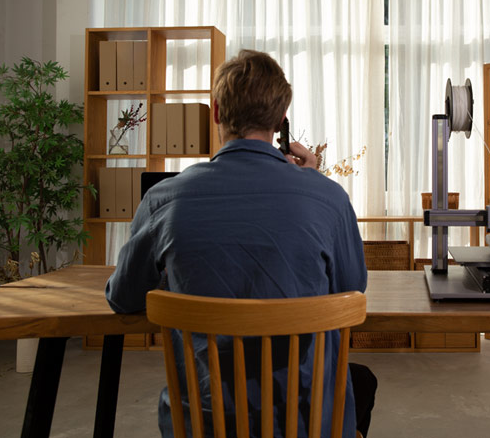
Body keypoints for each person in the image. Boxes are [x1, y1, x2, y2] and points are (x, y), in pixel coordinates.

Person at [105, 49, 376, 438]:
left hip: (204, 424)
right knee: (357, 384)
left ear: (215, 112)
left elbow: (123, 298)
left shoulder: (164, 200)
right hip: (303, 423)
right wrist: (315, 182)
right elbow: (353, 287)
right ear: (282, 120)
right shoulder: (328, 199)